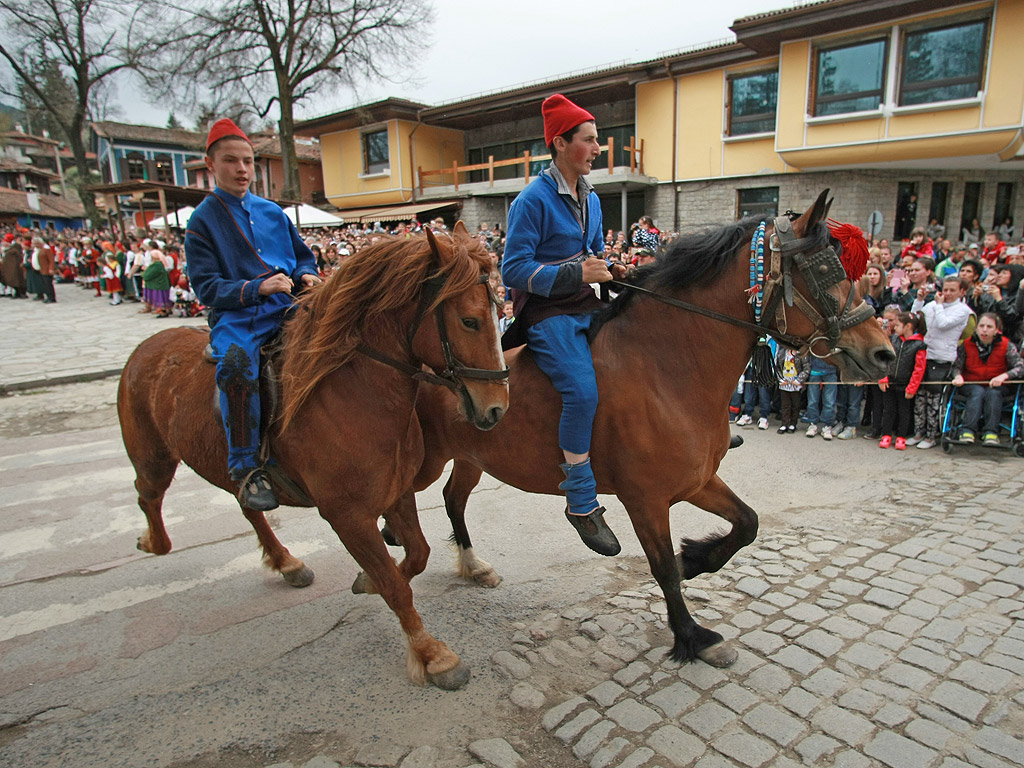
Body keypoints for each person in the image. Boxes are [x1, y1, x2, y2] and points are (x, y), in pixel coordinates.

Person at [501, 93, 624, 556]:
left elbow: (594, 255)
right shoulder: (531, 200)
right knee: (582, 391)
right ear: (560, 143)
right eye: (589, 140)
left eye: (597, 141)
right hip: (545, 312)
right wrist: (577, 273)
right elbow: (512, 270)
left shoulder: (592, 198)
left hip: (585, 303)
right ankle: (578, 500)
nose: (597, 149)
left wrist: (612, 270)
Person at [185, 118, 320, 511]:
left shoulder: (273, 212)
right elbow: (206, 288)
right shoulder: (202, 221)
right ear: (211, 165)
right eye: (231, 161)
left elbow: (301, 258)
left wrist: (307, 275)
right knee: (237, 366)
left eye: (247, 161)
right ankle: (246, 466)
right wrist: (256, 287)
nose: (242, 169)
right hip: (238, 317)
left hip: (288, 306)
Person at [909, 275, 973, 449]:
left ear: (961, 291)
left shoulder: (963, 310)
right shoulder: (935, 305)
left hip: (943, 357)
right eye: (945, 289)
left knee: (934, 400)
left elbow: (944, 323)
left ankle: (931, 436)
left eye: (953, 290)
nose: (948, 293)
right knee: (920, 398)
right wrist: (920, 300)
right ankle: (918, 432)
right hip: (926, 354)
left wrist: (937, 306)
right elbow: (915, 318)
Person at [950, 312, 1024, 446]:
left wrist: (1004, 376)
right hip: (971, 384)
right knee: (977, 392)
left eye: (989, 327)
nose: (984, 330)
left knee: (993, 393)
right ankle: (967, 430)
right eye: (982, 326)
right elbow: (956, 366)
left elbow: (1020, 367)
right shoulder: (966, 345)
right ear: (976, 328)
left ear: (996, 330)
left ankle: (991, 432)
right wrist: (958, 376)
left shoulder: (1007, 345)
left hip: (997, 385)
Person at [877, 311, 927, 450]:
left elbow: (919, 369)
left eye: (898, 325)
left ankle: (901, 436)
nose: (895, 327)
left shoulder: (919, 345)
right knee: (888, 410)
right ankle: (886, 434)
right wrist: (882, 378)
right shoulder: (893, 339)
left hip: (905, 384)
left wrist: (912, 388)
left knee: (904, 412)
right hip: (890, 381)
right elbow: (884, 358)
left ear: (908, 326)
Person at [774, 345, 808, 433]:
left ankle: (793, 424)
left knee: (795, 405)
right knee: (785, 405)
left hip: (796, 386)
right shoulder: (782, 353)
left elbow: (806, 369)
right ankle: (784, 424)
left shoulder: (801, 354)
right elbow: (777, 368)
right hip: (784, 385)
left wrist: (798, 380)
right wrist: (781, 380)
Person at [803, 356, 838, 440]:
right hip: (815, 370)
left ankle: (827, 426)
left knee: (829, 402)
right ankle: (812, 424)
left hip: (831, 371)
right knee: (812, 401)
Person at [1, 232, 26, 298]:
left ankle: (20, 293)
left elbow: (19, 255)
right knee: (11, 279)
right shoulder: (9, 248)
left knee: (17, 279)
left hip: (16, 266)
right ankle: (17, 292)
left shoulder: (15, 247)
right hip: (9, 266)